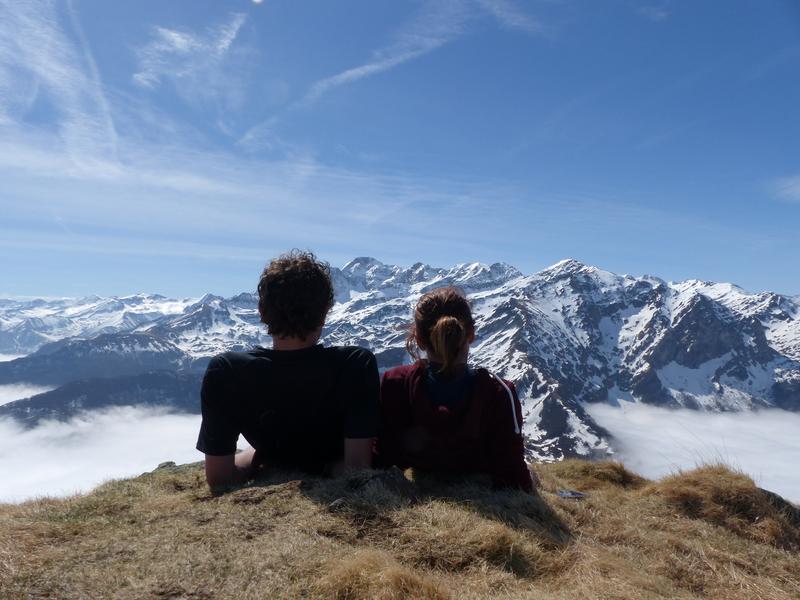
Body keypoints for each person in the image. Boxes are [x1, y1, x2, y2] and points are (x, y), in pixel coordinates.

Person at [196, 251, 379, 492]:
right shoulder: (355, 364)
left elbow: (219, 478)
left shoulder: (227, 371)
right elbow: (357, 470)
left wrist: (258, 455)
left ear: (261, 311)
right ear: (326, 311)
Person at [376, 286, 535, 492]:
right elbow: (515, 479)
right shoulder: (497, 392)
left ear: (419, 340)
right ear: (471, 335)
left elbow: (382, 458)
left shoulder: (394, 382)